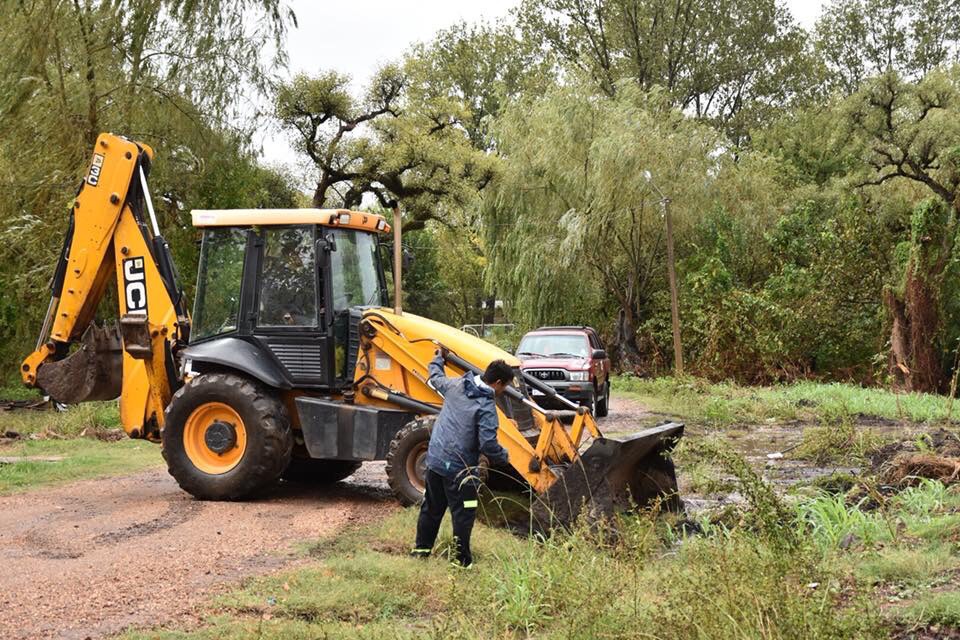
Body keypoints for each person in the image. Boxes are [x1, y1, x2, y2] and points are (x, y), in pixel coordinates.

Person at [411, 348, 513, 567]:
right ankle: (461, 561)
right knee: (464, 512)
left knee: (431, 507)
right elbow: (488, 444)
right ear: (497, 382)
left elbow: (435, 377)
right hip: (460, 470)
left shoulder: (455, 385)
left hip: (435, 460)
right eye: (505, 386)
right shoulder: (486, 407)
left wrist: (438, 357)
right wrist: (504, 457)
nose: (504, 390)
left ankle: (421, 551)